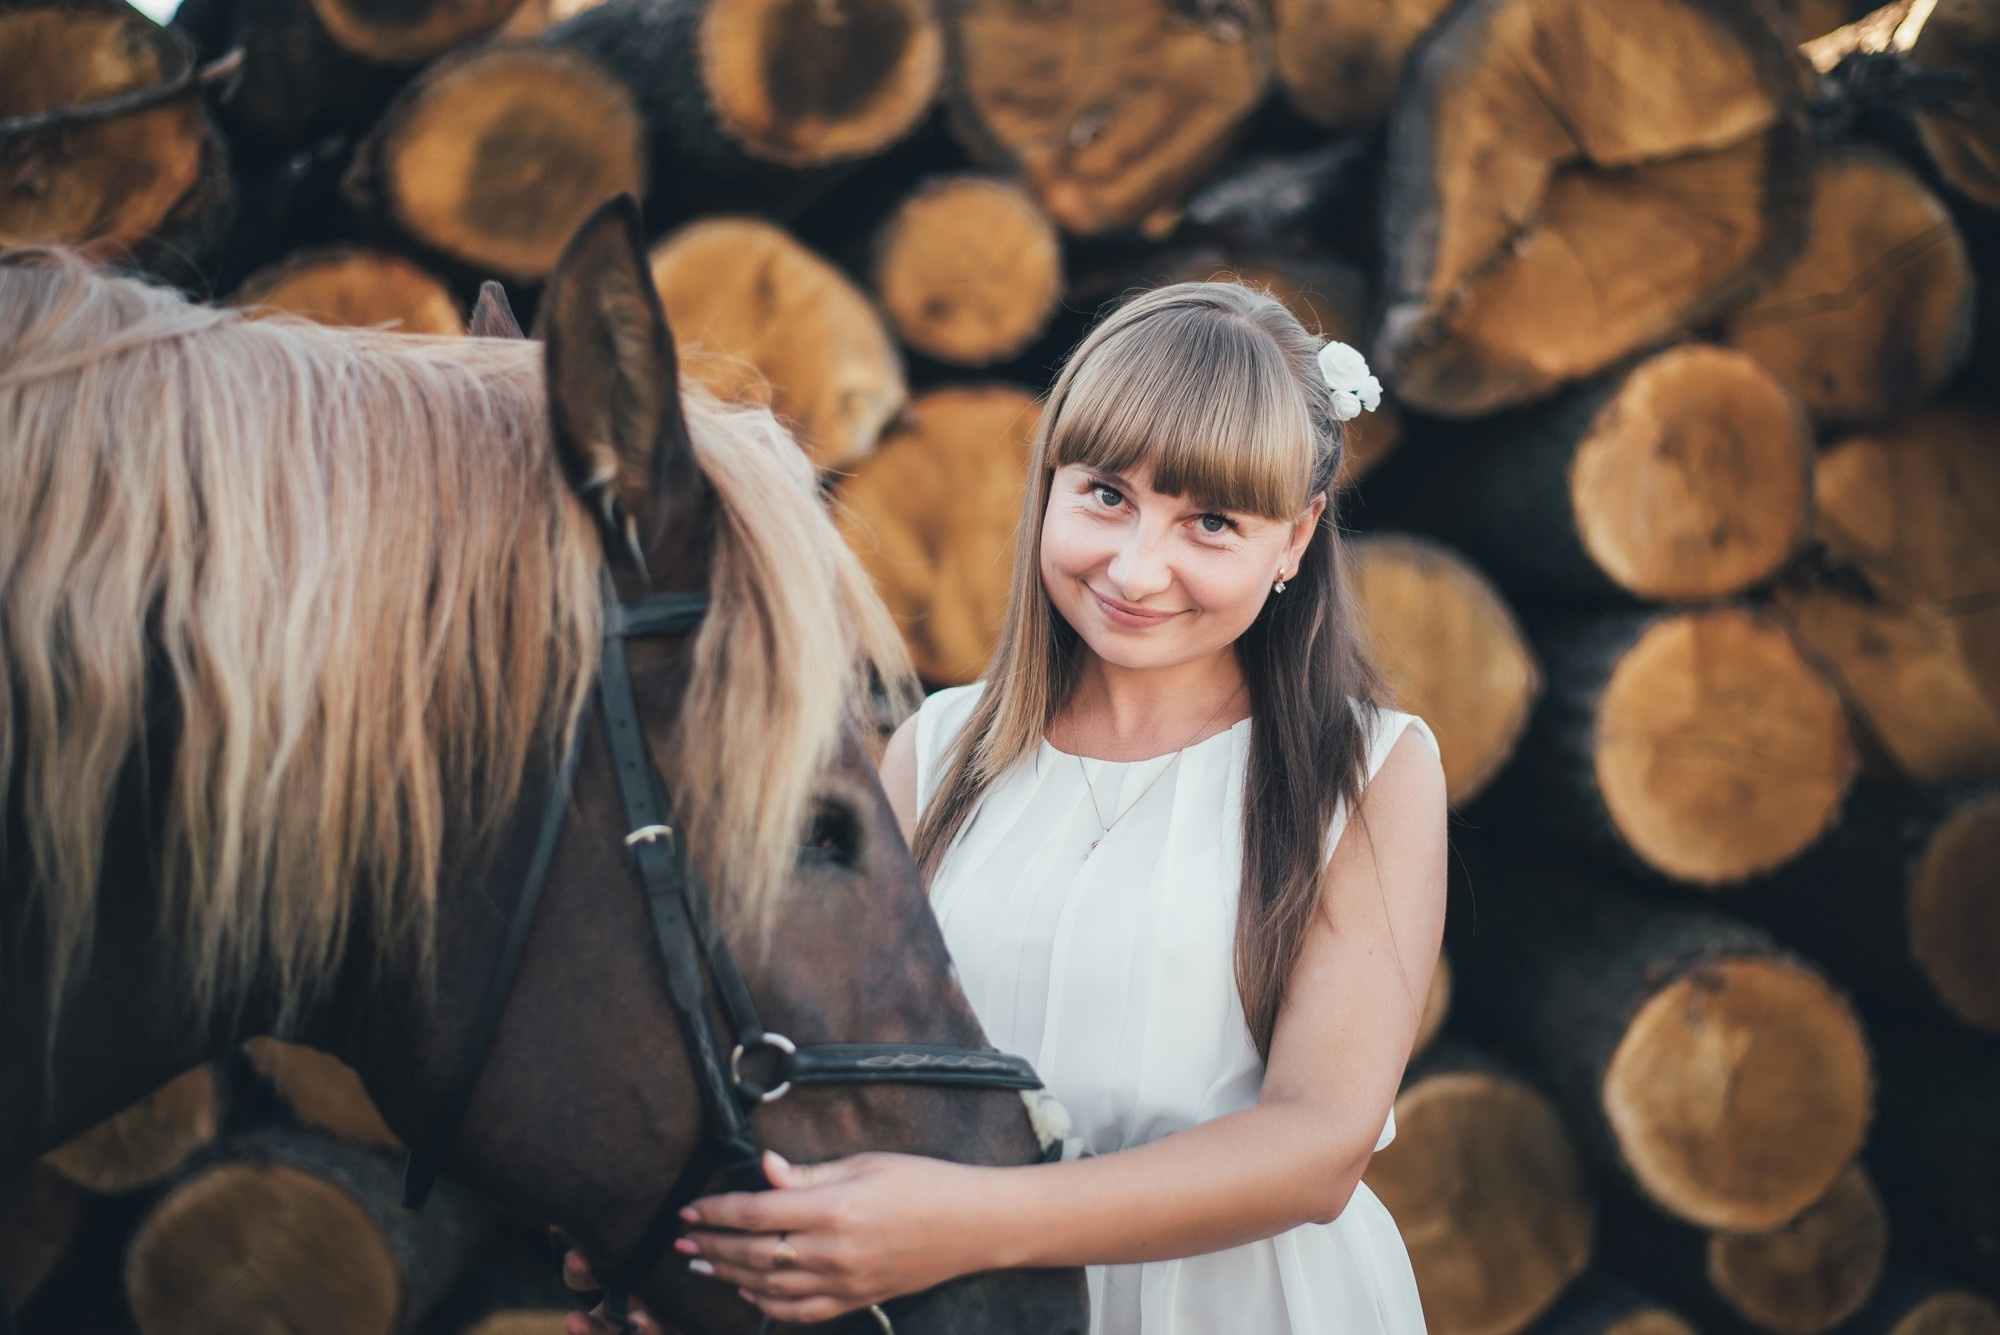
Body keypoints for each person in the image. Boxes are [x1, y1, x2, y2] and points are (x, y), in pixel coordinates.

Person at [564, 279, 1448, 1334]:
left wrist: (973, 1223)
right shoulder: (934, 751)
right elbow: (824, 1065)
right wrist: (702, 1260)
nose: (1135, 566)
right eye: (1106, 496)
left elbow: (1318, 1147)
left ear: (1295, 540)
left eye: (1209, 522)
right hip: (957, 1302)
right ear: (1048, 483)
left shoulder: (1366, 770)